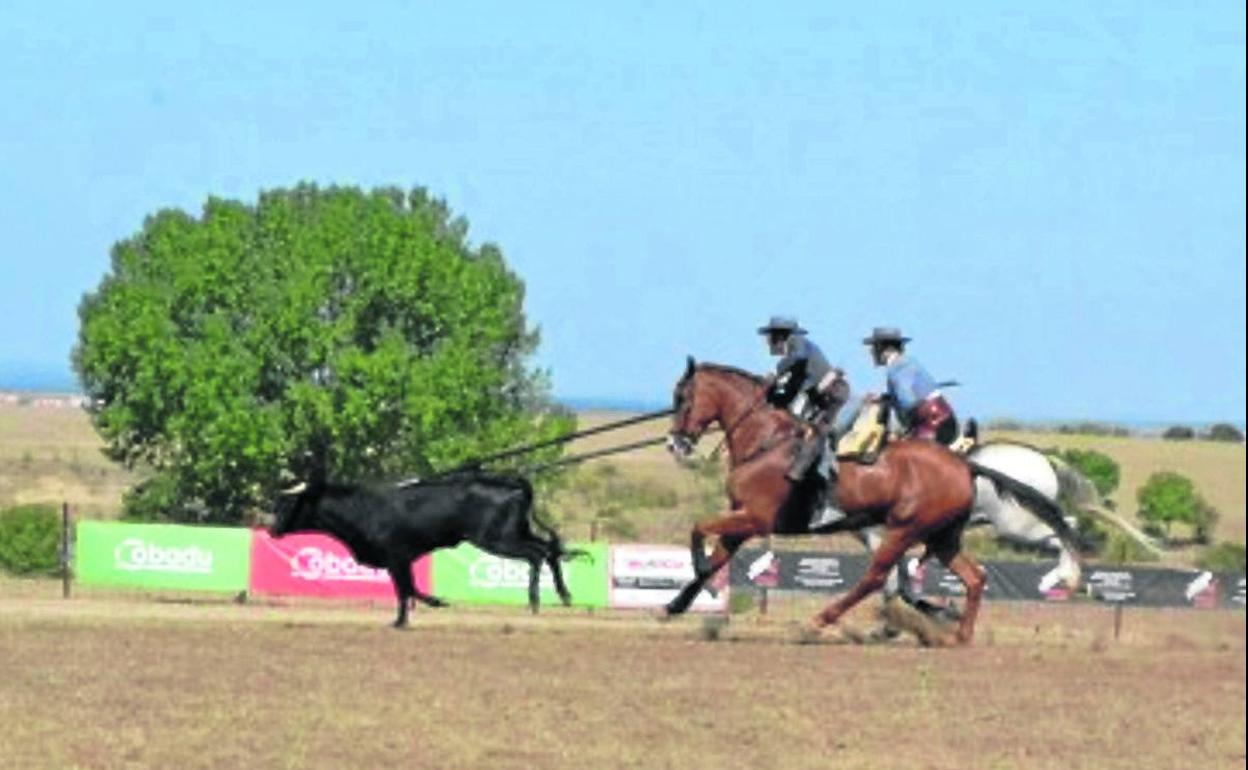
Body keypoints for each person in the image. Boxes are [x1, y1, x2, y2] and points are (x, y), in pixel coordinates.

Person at [757, 316, 849, 482]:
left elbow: (798, 358)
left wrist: (776, 372)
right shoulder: (794, 361)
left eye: (769, 338)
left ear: (779, 337)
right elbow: (789, 392)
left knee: (818, 432)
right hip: (825, 398)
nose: (767, 343)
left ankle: (822, 478)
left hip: (834, 396)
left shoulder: (797, 342)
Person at [861, 327, 958, 445]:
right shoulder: (905, 363)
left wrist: (886, 404)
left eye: (875, 347)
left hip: (931, 423)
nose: (871, 352)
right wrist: (883, 398)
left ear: (886, 349)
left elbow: (907, 401)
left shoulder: (898, 367)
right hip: (938, 419)